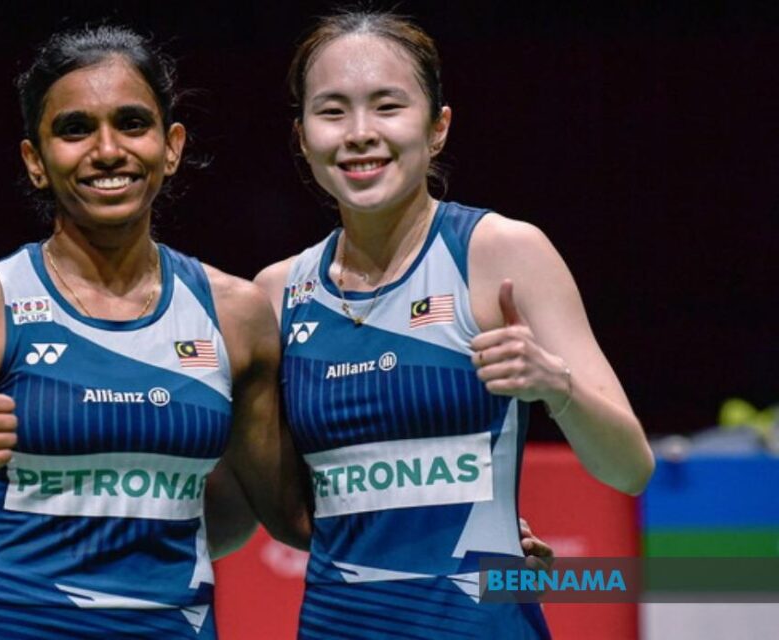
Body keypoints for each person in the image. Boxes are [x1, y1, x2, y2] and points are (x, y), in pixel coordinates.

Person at [0, 25, 307, 639]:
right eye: (75, 129)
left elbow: (273, 515)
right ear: (35, 161)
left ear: (171, 146)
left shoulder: (235, 314)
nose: (107, 150)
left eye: (132, 123)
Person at [252, 10, 655, 639]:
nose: (360, 133)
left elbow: (629, 470)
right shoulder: (276, 294)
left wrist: (556, 386)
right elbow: (287, 511)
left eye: (388, 106)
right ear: (303, 137)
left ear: (437, 127)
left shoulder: (502, 254)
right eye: (332, 112)